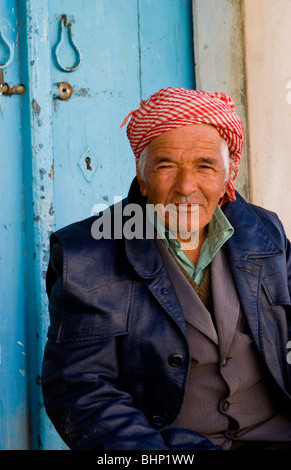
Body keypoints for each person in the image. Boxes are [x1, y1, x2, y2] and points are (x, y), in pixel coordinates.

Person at [42, 87, 291, 450]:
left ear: (227, 176)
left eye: (205, 165)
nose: (186, 187)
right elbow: (81, 390)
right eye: (165, 166)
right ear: (142, 180)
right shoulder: (87, 254)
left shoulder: (264, 232)